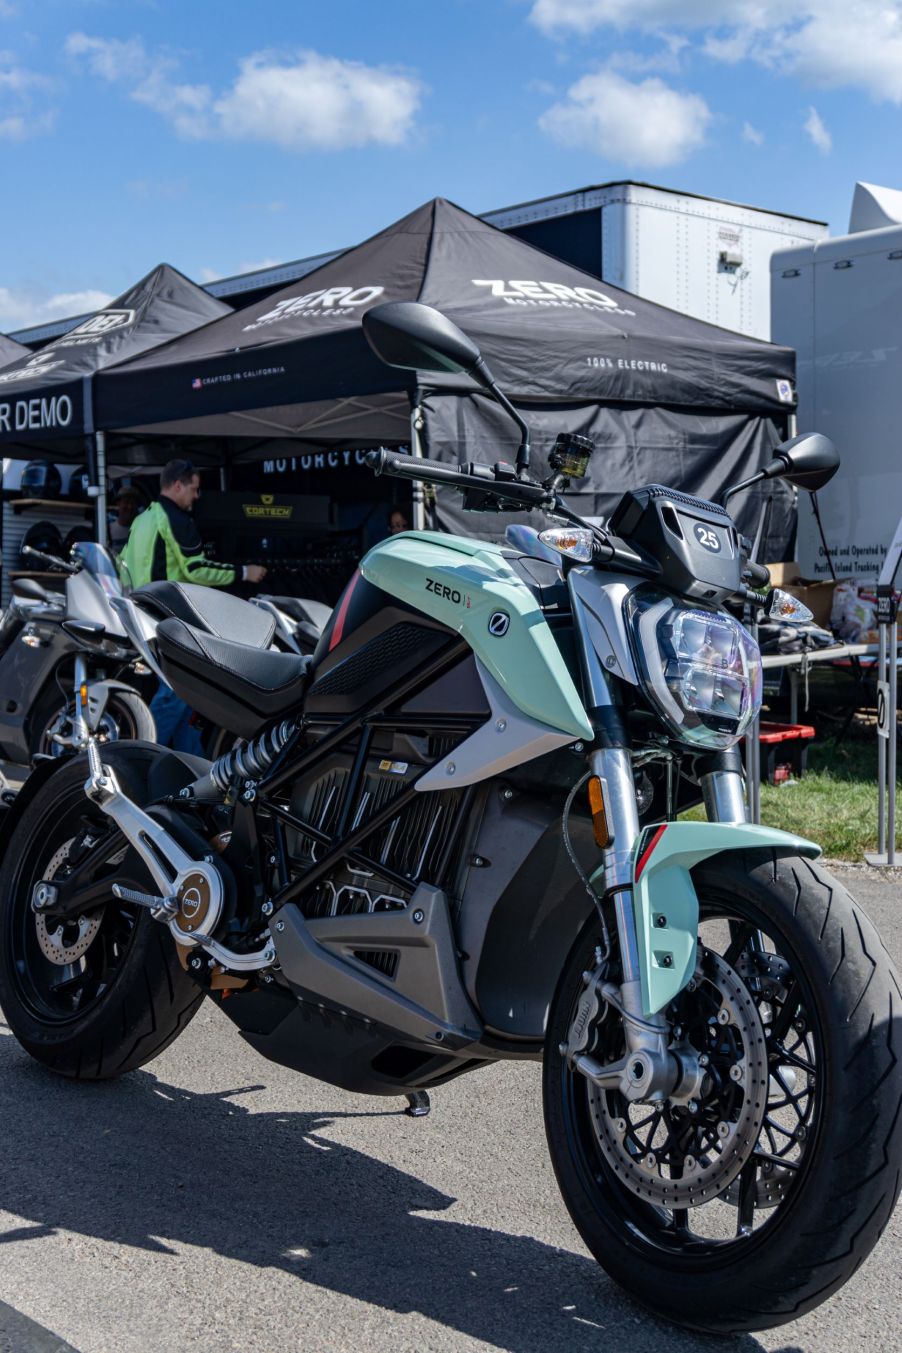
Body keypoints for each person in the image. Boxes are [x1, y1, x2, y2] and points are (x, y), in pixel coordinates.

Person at [121, 458, 267, 753]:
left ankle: (193, 768)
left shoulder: (142, 519)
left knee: (188, 695)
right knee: (175, 693)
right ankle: (141, 758)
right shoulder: (175, 519)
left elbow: (122, 566)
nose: (196, 497)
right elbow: (196, 569)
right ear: (178, 485)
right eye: (194, 489)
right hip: (173, 619)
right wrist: (244, 572)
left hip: (144, 616)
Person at [108, 486, 143, 552]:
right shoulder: (109, 530)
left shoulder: (141, 530)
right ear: (118, 504)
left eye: (133, 503)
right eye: (126, 502)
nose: (130, 507)